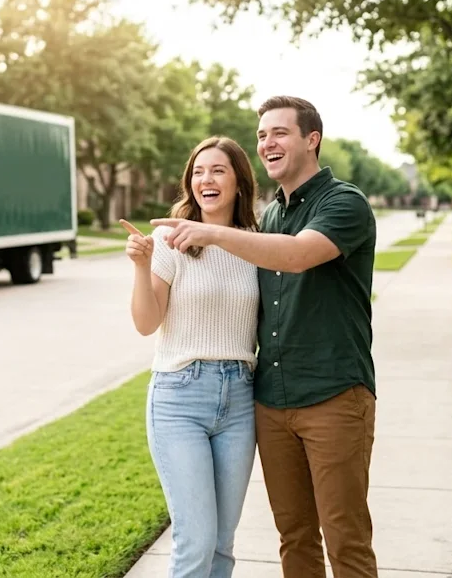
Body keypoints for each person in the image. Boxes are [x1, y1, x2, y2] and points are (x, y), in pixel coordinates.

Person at [151, 95, 379, 578]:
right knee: (294, 537)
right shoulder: (269, 218)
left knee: (346, 538)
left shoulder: (344, 202)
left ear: (311, 139)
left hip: (335, 395)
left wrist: (210, 233)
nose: (267, 143)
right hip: (271, 403)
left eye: (279, 132)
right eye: (261, 135)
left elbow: (297, 255)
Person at [123, 135, 262, 578]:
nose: (207, 179)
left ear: (239, 181)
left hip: (240, 399)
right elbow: (147, 323)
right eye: (199, 172)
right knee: (196, 541)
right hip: (180, 397)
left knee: (222, 544)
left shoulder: (255, 244)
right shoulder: (170, 240)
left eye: (218, 170)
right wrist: (143, 266)